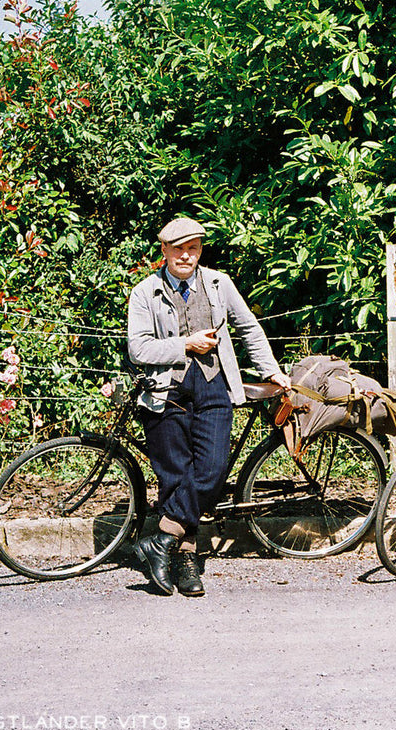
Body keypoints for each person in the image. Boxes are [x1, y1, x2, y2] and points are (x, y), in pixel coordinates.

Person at [127, 217, 290, 596]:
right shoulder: (145, 293)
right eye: (178, 249)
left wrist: (272, 371)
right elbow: (138, 348)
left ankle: (161, 537)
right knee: (176, 477)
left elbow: (247, 327)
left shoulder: (219, 284)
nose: (186, 255)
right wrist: (185, 344)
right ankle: (184, 561)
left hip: (215, 385)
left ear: (200, 251)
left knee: (213, 471)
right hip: (165, 392)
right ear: (164, 251)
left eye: (194, 248)